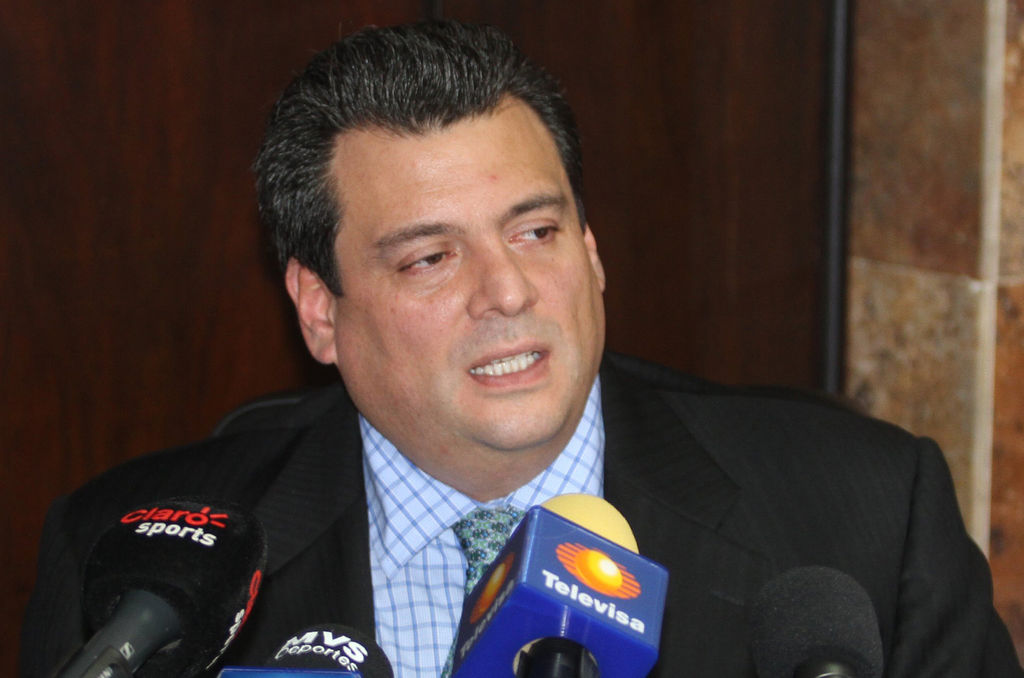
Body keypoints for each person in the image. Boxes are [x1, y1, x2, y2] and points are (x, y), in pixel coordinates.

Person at [20, 20, 1023, 678]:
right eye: (429, 258)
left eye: (536, 232)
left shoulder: (865, 519)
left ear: (592, 252)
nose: (506, 292)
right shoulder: (130, 571)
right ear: (320, 311)